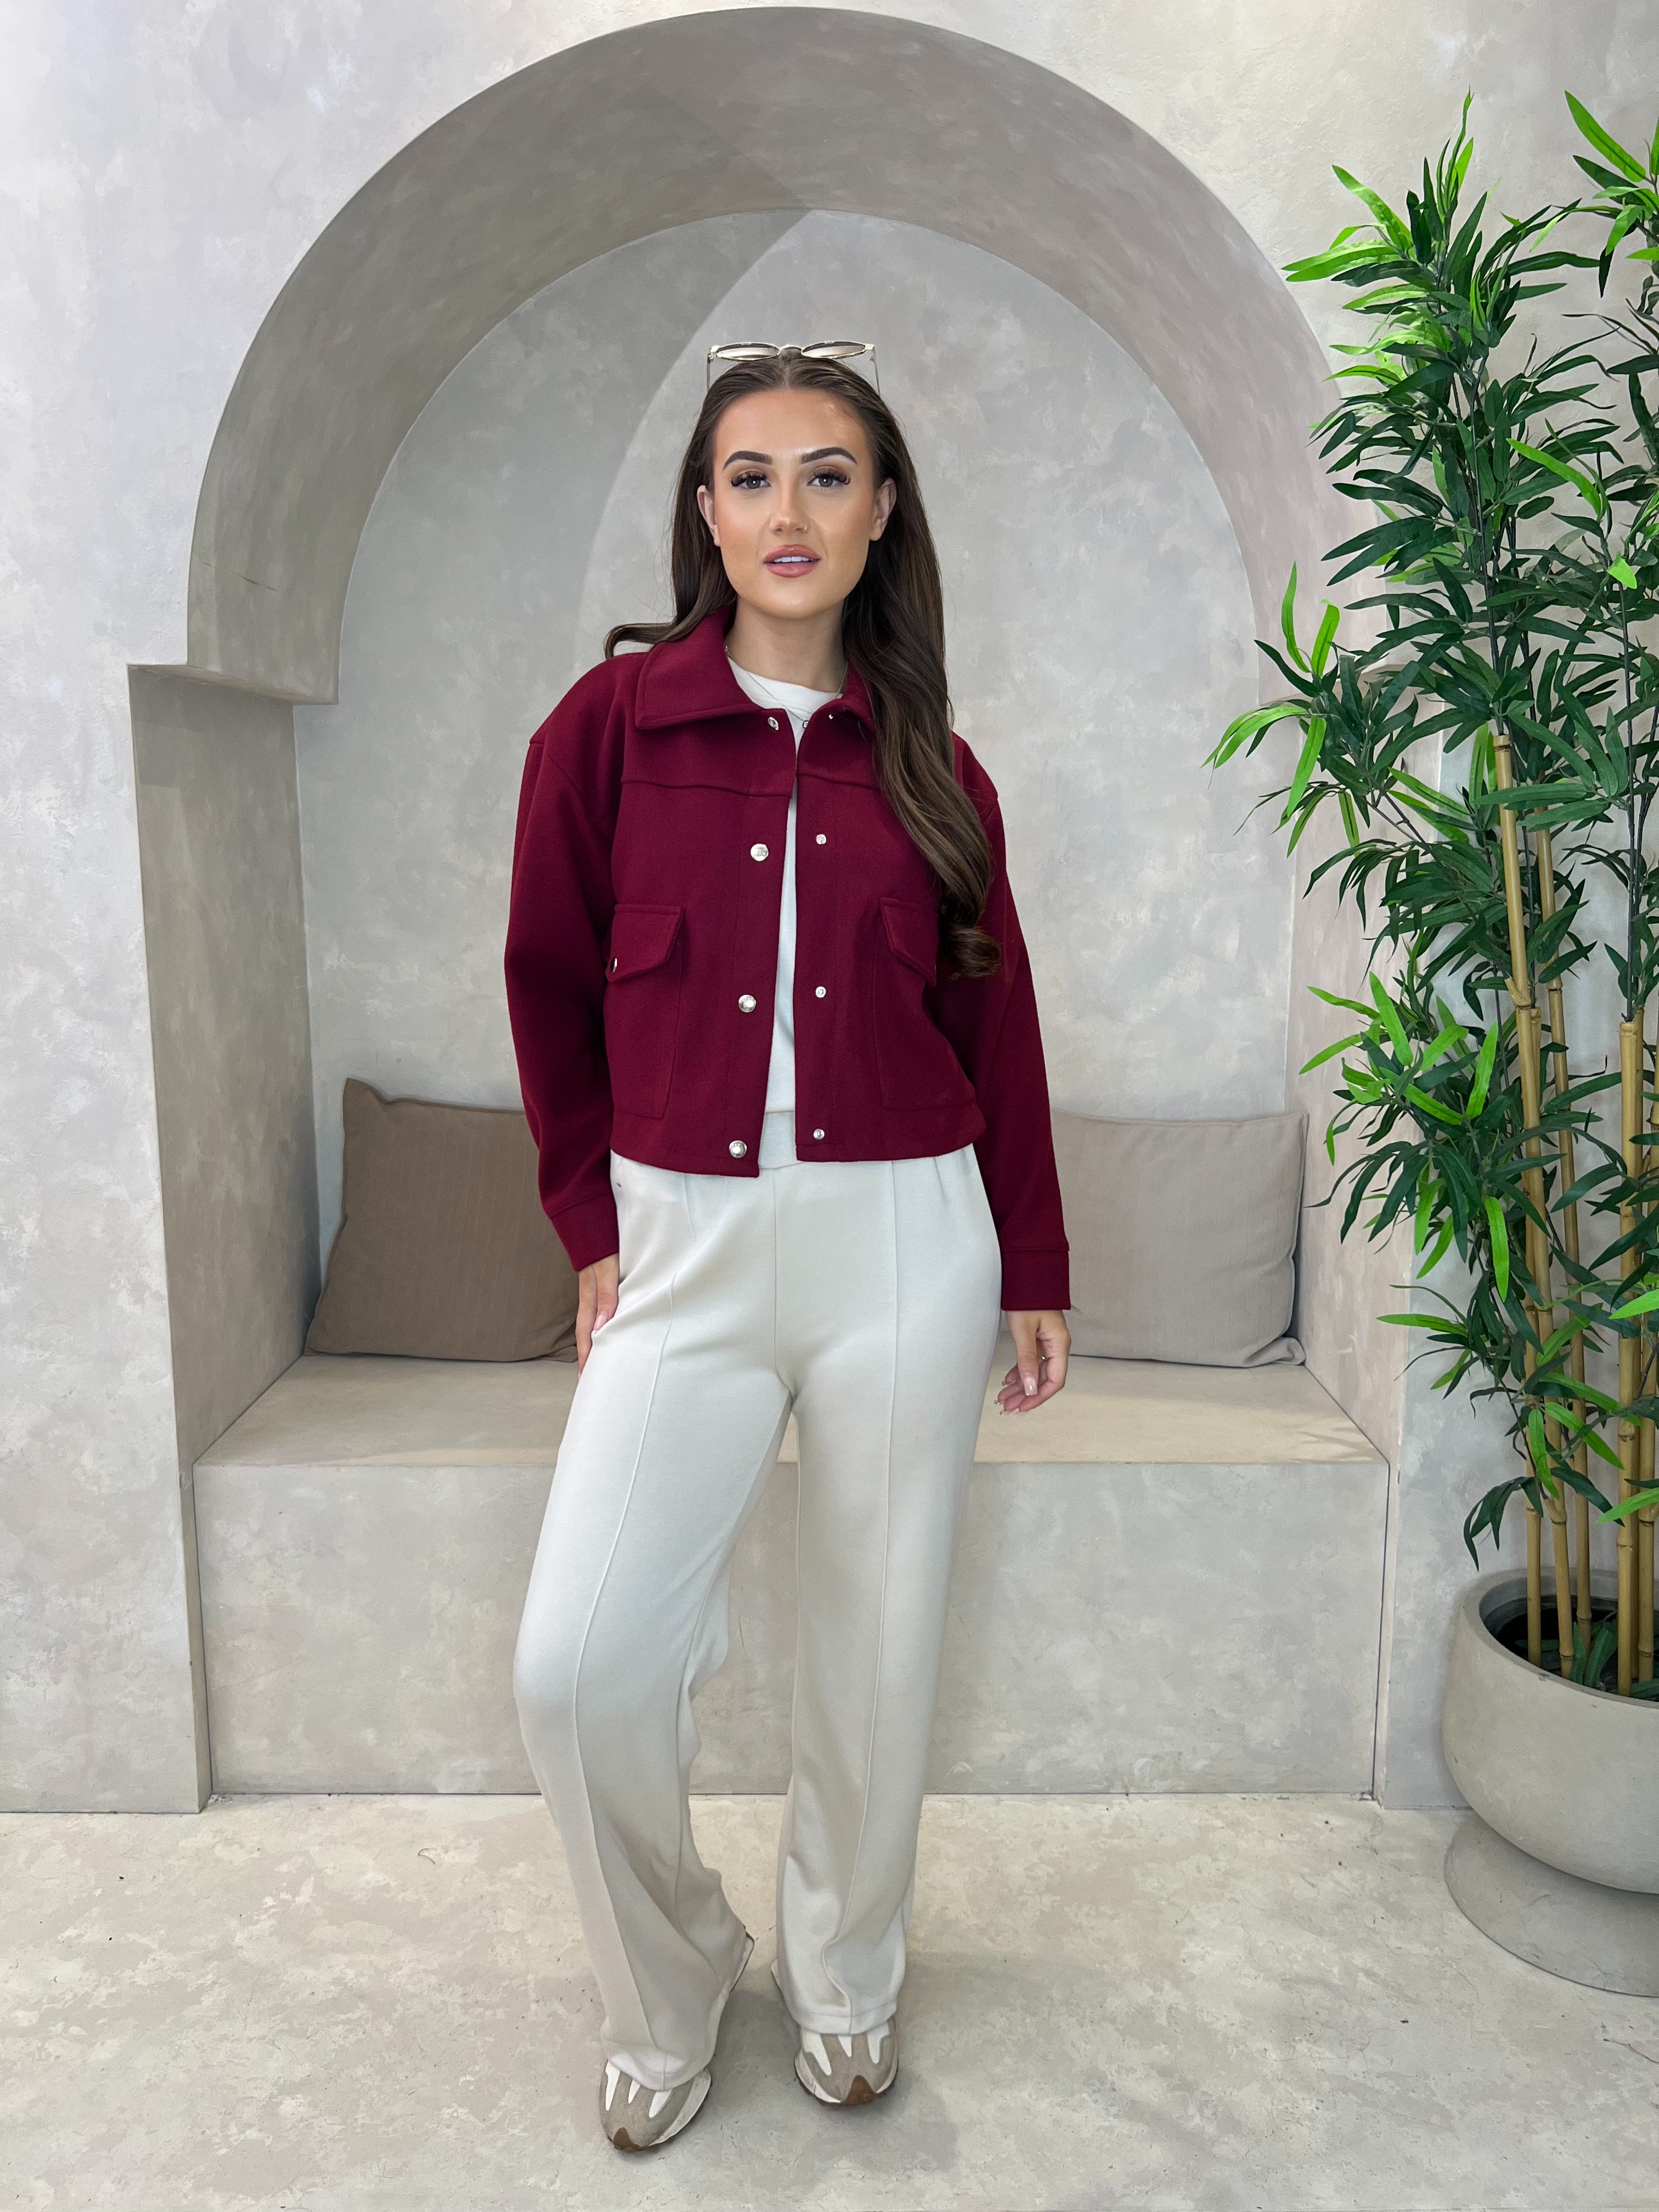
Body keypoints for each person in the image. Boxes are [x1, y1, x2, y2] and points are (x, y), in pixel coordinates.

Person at [503, 341, 1070, 2152]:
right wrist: (589, 1224)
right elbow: (545, 987)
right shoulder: (610, 732)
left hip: (907, 1237)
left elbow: (998, 1024)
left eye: (829, 474)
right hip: (681, 1241)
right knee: (574, 1667)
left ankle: (846, 1977)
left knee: (878, 1651)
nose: (789, 510)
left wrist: (1034, 1263)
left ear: (882, 510)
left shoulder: (937, 767)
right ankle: (667, 1988)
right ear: (706, 510)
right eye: (751, 476)